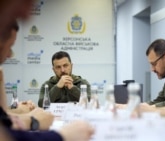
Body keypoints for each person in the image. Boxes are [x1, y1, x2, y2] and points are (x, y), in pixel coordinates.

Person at [0, 4, 95, 140]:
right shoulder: (47, 84)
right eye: (58, 67)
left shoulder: (82, 83)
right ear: (53, 69)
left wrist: (73, 88)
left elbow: (89, 102)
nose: (63, 70)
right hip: (54, 125)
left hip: (74, 123)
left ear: (71, 65)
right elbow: (41, 103)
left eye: (65, 66)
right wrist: (58, 87)